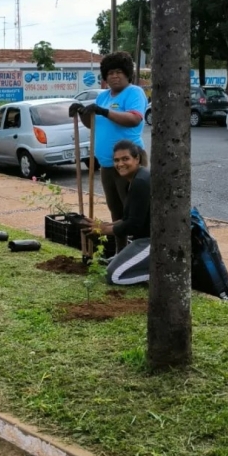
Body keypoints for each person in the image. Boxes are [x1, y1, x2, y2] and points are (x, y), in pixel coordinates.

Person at [69, 52, 148, 251]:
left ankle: (139, 250)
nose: (114, 76)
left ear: (128, 74)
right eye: (110, 73)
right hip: (107, 163)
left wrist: (104, 111)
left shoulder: (134, 92)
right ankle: (121, 251)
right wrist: (83, 112)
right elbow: (92, 124)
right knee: (116, 211)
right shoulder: (103, 96)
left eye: (119, 72)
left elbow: (134, 118)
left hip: (129, 163)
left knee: (133, 212)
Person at [82, 140, 151, 286]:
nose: (120, 164)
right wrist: (102, 225)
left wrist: (106, 230)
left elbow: (133, 225)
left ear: (137, 159)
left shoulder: (141, 182)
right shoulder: (135, 180)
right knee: (111, 267)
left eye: (125, 159)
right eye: (116, 160)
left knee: (113, 276)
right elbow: (127, 219)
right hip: (143, 239)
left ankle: (159, 273)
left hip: (154, 241)